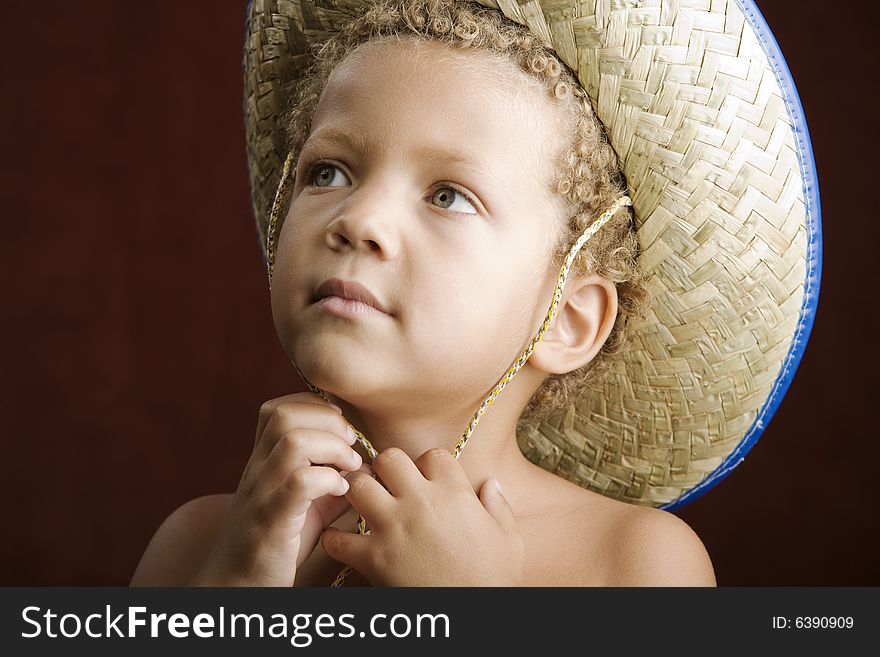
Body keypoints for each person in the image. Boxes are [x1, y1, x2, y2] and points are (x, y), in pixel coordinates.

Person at [131, 0, 819, 587]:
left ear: (568, 321)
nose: (359, 219)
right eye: (330, 171)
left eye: (448, 194)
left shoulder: (633, 562)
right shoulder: (194, 546)